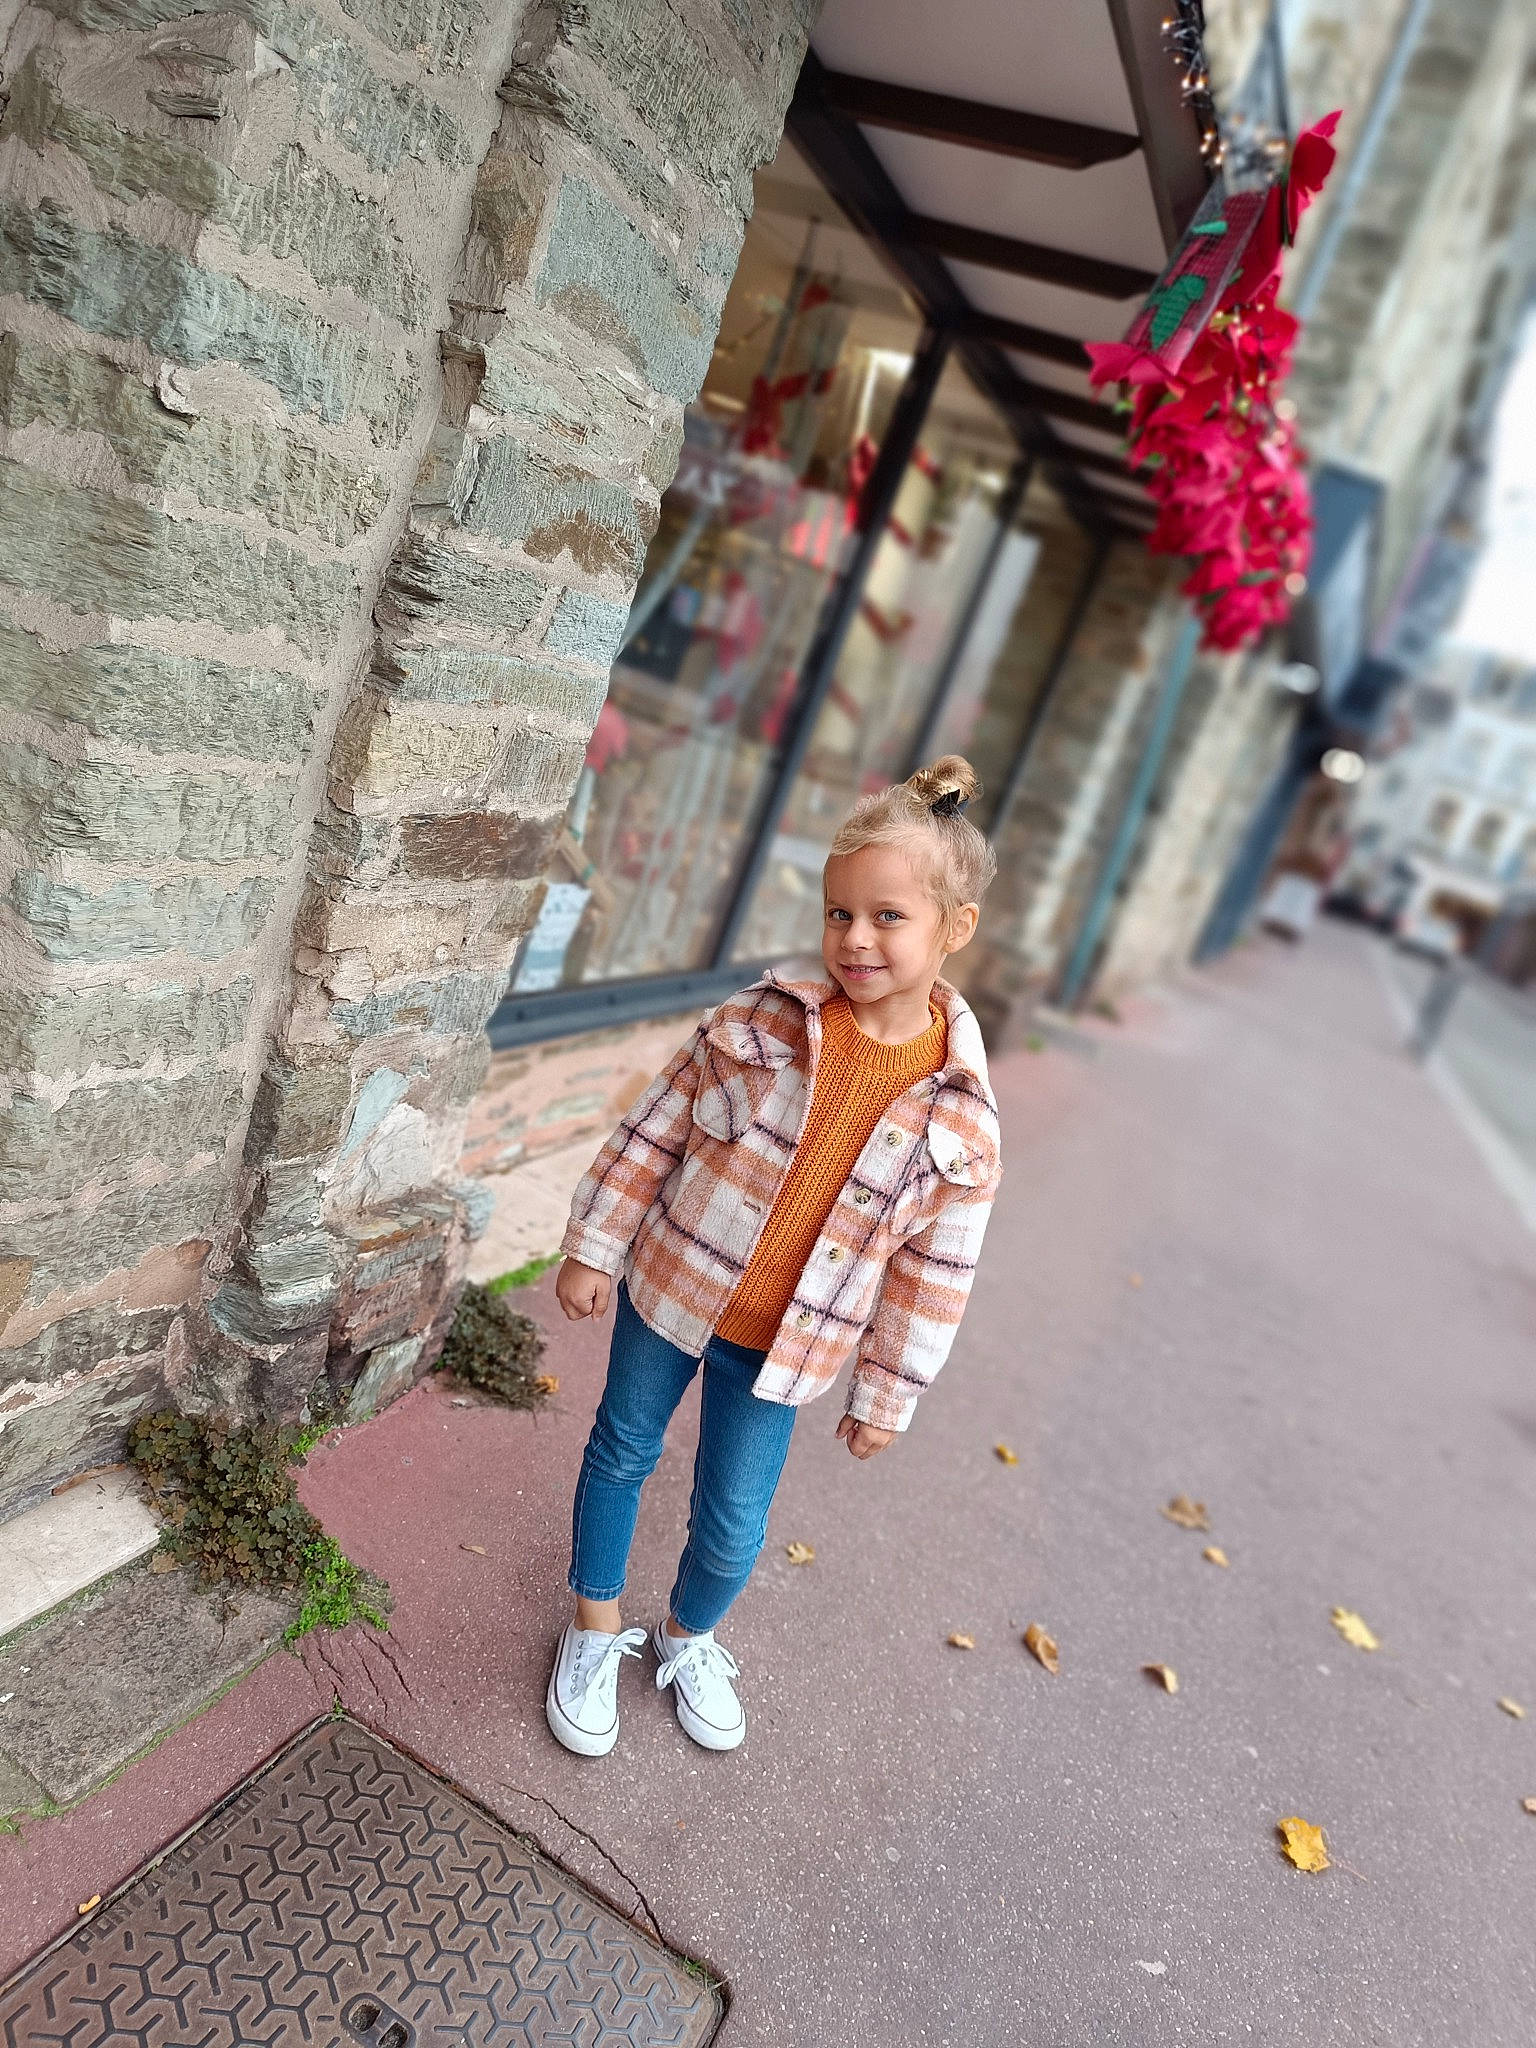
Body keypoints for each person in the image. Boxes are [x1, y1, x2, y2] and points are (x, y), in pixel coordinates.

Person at [545, 757, 1003, 1756]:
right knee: (623, 1446)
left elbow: (936, 1274)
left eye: (888, 917)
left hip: (788, 1346)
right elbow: (655, 1130)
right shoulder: (760, 1019)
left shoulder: (961, 1115)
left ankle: (687, 1635)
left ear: (953, 929)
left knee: (735, 1520)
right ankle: (592, 1626)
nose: (856, 938)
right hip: (673, 1287)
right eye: (840, 913)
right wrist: (594, 1243)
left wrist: (887, 1391)